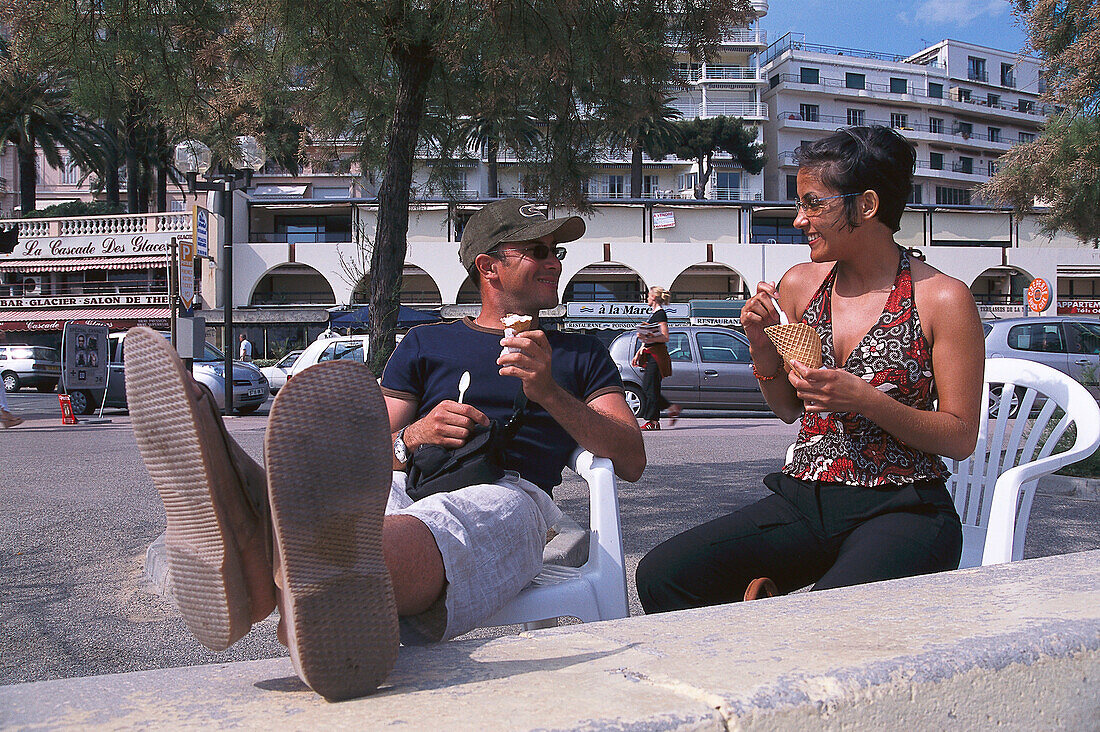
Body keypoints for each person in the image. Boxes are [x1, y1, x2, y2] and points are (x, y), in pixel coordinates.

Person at [124, 197, 645, 702]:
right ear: (489, 266)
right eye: (540, 250)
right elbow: (365, 452)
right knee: (354, 507)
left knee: (457, 516)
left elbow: (631, 458)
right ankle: (284, 544)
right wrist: (413, 436)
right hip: (407, 479)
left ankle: (256, 536)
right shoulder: (426, 343)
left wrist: (550, 391)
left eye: (559, 251)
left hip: (512, 495)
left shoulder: (580, 352)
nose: (556, 262)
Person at [636, 126, 984, 612]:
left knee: (826, 616)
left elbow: (960, 437)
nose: (799, 220)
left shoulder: (943, 298)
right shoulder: (800, 284)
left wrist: (863, 398)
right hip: (805, 496)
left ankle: (777, 613)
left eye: (813, 203)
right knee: (664, 575)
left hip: (904, 505)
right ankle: (766, 629)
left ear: (866, 205)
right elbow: (786, 409)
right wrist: (760, 346)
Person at [631, 286, 681, 430]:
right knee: (649, 388)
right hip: (651, 354)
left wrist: (649, 336)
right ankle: (670, 409)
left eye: (648, 295)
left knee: (649, 388)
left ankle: (652, 422)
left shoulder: (660, 314)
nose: (647, 298)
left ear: (654, 297)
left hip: (657, 356)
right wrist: (639, 351)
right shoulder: (654, 314)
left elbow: (665, 336)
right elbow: (649, 338)